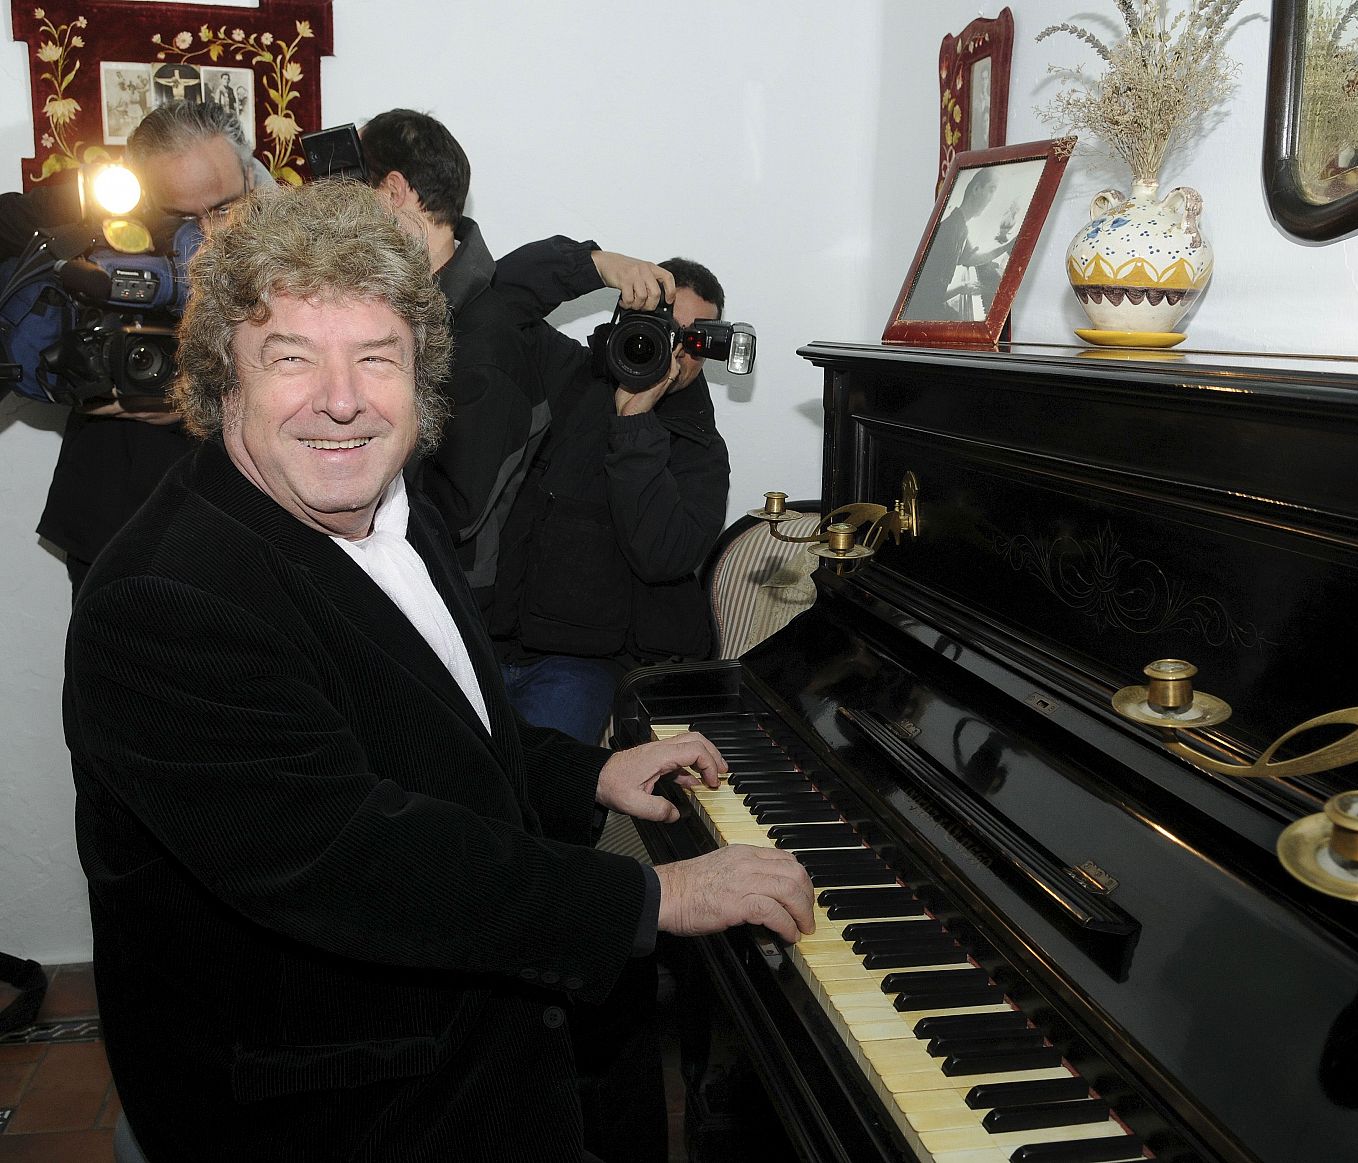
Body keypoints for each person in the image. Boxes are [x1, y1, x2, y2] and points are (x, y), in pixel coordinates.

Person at [63, 179, 814, 1162]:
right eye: (291, 358)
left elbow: (433, 733)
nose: (342, 399)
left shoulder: (386, 508)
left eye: (377, 358)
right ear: (220, 379)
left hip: (468, 1063)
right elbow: (350, 855)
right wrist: (653, 899)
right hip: (336, 1115)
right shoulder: (165, 598)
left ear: (420, 377)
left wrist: (574, 769)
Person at [18, 100, 269, 592]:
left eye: (223, 209)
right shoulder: (102, 214)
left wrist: (198, 402)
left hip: (249, 521)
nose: (208, 235)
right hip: (115, 516)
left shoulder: (300, 239)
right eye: (180, 215)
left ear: (249, 174)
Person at [491, 246, 733, 746]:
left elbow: (662, 558)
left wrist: (636, 423)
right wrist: (595, 264)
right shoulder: (564, 375)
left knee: (543, 793)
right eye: (664, 329)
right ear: (627, 317)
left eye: (692, 340)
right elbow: (493, 302)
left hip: (584, 664)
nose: (676, 353)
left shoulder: (701, 450)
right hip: (487, 640)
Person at [359, 108, 551, 613]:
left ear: (395, 190)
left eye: (358, 194)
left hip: (440, 597)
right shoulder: (412, 307)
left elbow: (454, 511)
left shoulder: (482, 337)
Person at [902, 164, 1014, 321]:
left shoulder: (958, 224)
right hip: (922, 313)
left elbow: (970, 258)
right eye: (991, 190)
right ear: (976, 189)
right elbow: (931, 299)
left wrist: (1007, 246)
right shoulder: (952, 231)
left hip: (926, 304)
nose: (992, 199)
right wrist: (962, 288)